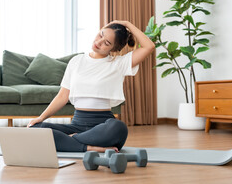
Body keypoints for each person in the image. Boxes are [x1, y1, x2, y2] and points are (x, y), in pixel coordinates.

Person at [28, 20, 155, 152]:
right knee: (36, 129)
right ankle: (89, 147)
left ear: (115, 49)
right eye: (101, 35)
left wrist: (127, 24)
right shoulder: (76, 61)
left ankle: (70, 141)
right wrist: (41, 118)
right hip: (76, 125)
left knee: (119, 128)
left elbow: (149, 47)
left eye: (107, 43)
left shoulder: (119, 63)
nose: (99, 42)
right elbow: (62, 96)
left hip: (104, 126)